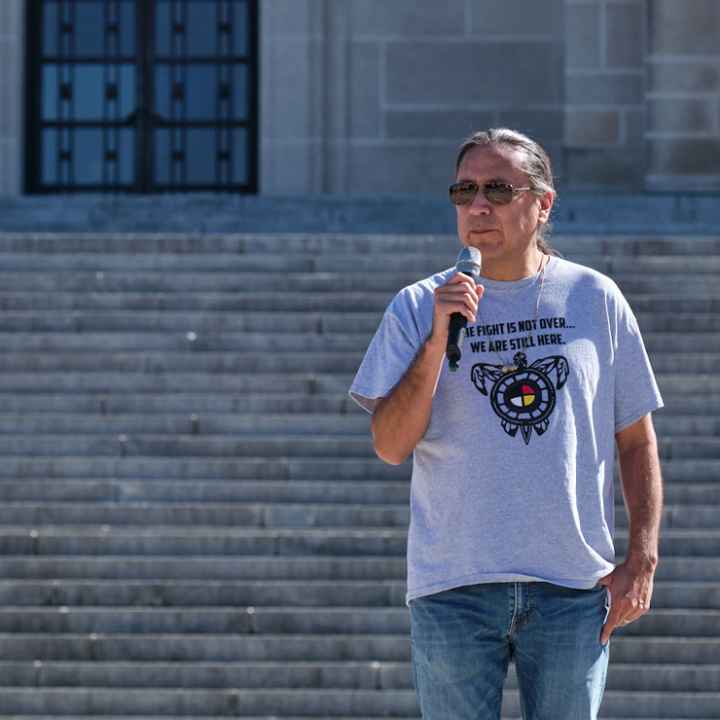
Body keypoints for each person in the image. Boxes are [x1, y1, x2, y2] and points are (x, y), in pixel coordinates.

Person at [347, 128, 664, 720]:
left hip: (573, 586)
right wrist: (439, 339)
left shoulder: (595, 297)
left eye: (498, 188)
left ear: (543, 203)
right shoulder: (419, 305)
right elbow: (391, 446)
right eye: (464, 191)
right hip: (454, 587)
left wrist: (641, 559)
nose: (478, 206)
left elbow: (636, 438)